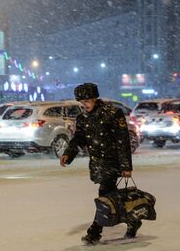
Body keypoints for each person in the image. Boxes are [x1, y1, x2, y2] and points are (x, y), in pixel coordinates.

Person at [60, 82, 140, 245]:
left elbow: (122, 141)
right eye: (81, 103)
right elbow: (79, 138)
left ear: (95, 98)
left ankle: (95, 232)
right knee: (112, 198)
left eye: (87, 101)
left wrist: (125, 166)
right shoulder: (83, 118)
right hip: (97, 164)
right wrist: (68, 153)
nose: (84, 105)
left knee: (104, 197)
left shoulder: (112, 113)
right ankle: (133, 220)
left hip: (113, 163)